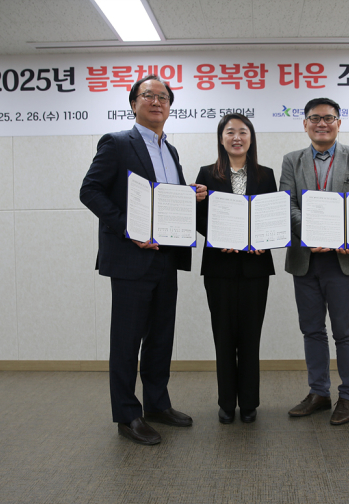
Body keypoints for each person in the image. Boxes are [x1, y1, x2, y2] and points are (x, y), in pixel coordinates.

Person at [79, 75, 207, 446]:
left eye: (163, 97)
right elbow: (90, 190)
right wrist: (128, 229)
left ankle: (157, 404)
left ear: (170, 107)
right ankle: (127, 414)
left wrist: (189, 194)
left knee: (160, 337)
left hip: (167, 256)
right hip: (131, 257)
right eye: (148, 95)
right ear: (133, 103)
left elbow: (163, 200)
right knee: (126, 340)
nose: (156, 102)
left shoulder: (171, 151)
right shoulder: (118, 143)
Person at [279, 98, 349, 426]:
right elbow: (287, 203)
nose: (322, 123)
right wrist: (312, 234)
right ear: (305, 123)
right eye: (315, 118)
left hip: (342, 259)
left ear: (338, 123)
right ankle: (319, 392)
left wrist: (348, 237)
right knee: (312, 330)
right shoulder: (292, 160)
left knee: (345, 331)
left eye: (329, 118)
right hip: (305, 258)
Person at [195, 114, 277, 425]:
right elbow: (198, 216)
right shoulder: (207, 173)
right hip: (220, 267)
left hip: (256, 267)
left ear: (251, 138)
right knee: (224, 336)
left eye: (243, 132)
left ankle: (250, 402)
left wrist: (264, 240)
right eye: (230, 132)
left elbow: (273, 216)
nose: (237, 137)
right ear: (221, 139)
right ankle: (227, 403)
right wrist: (219, 237)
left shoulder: (266, 175)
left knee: (250, 337)